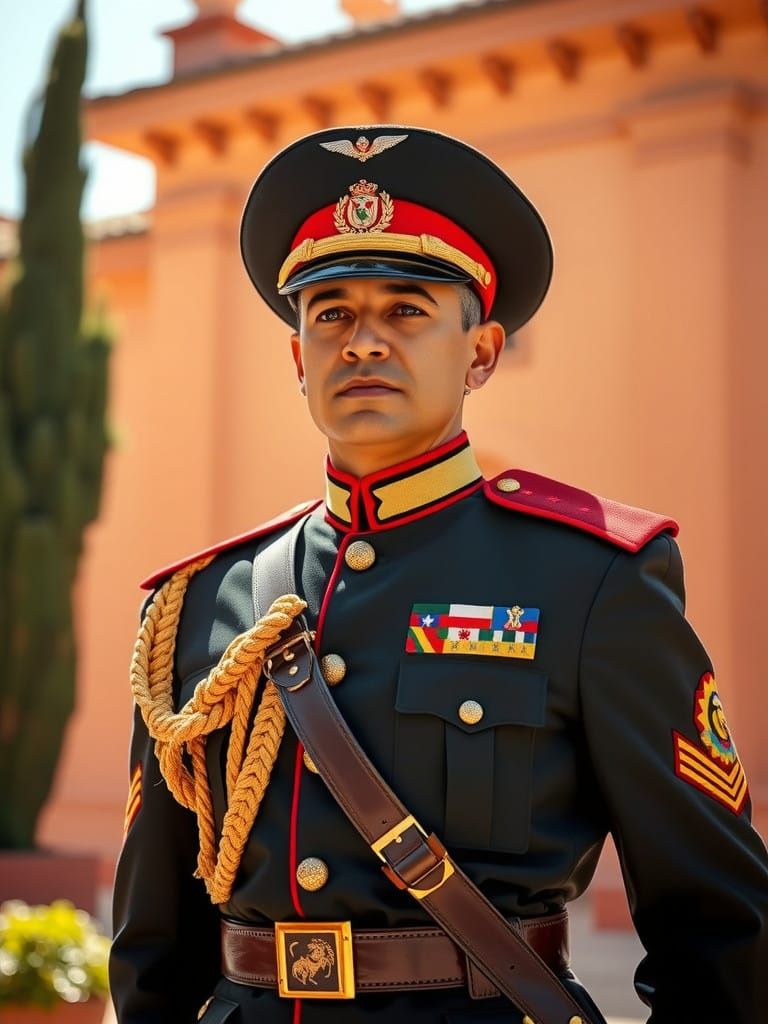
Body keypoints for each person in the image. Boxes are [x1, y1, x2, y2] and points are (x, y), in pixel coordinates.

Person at [109, 126, 768, 1024]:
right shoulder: (198, 604)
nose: (364, 341)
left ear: (482, 351)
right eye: (331, 312)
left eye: (409, 310)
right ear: (299, 359)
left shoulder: (593, 580)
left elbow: (723, 933)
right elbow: (153, 948)